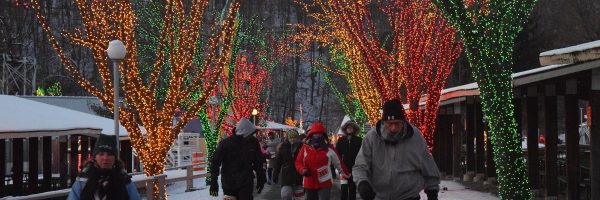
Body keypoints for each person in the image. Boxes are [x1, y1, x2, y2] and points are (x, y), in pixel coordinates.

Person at [353, 99, 440, 200]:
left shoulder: (415, 137)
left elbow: (428, 165)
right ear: (383, 122)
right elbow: (360, 166)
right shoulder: (372, 138)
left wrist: (432, 192)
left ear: (403, 122)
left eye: (397, 123)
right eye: (389, 124)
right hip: (379, 197)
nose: (393, 128)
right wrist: (362, 183)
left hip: (409, 196)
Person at [67, 134, 141, 200]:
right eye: (101, 154)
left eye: (109, 154)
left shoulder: (124, 179)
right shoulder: (83, 180)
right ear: (95, 157)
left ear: (115, 157)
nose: (105, 158)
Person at [210, 118, 267, 200]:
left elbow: (258, 161)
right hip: (229, 183)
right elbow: (215, 162)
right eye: (250, 134)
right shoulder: (226, 143)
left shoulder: (253, 143)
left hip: (246, 182)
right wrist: (213, 181)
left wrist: (261, 176)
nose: (251, 136)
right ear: (243, 132)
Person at [295, 122, 350, 200]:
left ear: (323, 135)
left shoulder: (329, 149)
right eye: (315, 134)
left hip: (325, 181)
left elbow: (339, 163)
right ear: (311, 135)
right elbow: (298, 162)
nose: (317, 136)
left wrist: (348, 175)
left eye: (320, 134)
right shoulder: (305, 148)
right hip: (309, 182)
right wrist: (303, 170)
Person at [273, 129, 304, 200]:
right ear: (288, 138)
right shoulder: (282, 147)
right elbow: (278, 163)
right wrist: (275, 175)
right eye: (291, 137)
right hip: (286, 176)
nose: (292, 139)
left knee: (299, 197)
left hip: (299, 176)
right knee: (285, 195)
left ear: (297, 138)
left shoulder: (302, 147)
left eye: (294, 137)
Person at [335, 121, 362, 200]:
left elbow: (361, 154)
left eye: (351, 128)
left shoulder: (359, 140)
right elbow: (337, 155)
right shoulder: (341, 140)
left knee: (352, 190)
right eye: (348, 128)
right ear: (345, 129)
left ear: (354, 129)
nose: (349, 129)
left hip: (354, 169)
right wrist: (339, 168)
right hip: (343, 169)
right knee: (343, 190)